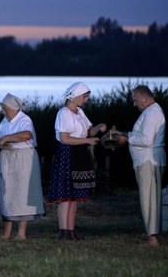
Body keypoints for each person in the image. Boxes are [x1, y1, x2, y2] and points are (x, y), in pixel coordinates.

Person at [47, 82, 106, 240]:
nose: (86, 100)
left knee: (74, 197)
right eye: (84, 97)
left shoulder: (80, 112)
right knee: (66, 196)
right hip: (68, 154)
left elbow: (87, 131)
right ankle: (63, 231)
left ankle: (71, 231)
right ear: (75, 96)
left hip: (80, 154)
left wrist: (98, 127)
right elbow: (64, 139)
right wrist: (87, 141)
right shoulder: (64, 113)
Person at [117, 85, 166, 246]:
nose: (134, 104)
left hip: (147, 161)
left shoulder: (152, 113)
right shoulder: (151, 111)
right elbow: (142, 134)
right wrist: (126, 134)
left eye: (135, 100)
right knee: (151, 198)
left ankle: (152, 238)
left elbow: (146, 140)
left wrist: (127, 139)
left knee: (148, 199)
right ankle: (153, 235)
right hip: (148, 160)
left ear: (144, 98)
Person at [0, 93, 45, 240]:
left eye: (5, 109)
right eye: (3, 109)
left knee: (23, 194)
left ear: (13, 108)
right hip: (8, 157)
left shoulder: (24, 119)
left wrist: (6, 138)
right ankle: (6, 233)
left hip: (24, 158)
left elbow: (26, 135)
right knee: (7, 194)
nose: (3, 112)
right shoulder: (4, 121)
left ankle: (21, 233)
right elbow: (0, 138)